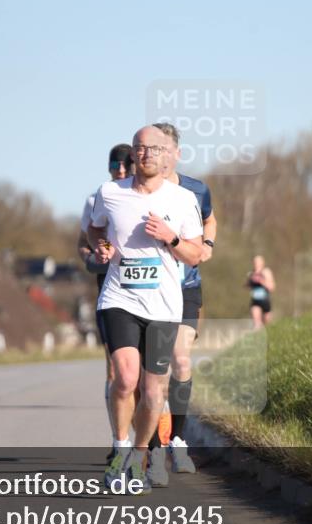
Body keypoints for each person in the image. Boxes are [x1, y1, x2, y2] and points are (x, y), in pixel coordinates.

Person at [88, 125, 203, 493]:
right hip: (119, 298)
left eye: (153, 148)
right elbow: (94, 230)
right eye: (140, 148)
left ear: (166, 154)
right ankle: (120, 449)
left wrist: (170, 237)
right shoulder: (109, 193)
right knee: (125, 378)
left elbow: (197, 254)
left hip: (164, 305)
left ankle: (139, 456)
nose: (146, 154)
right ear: (133, 154)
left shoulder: (184, 199)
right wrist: (102, 246)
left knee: (154, 393)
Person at [145, 122, 217, 486]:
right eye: (152, 148)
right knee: (153, 376)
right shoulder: (139, 191)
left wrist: (208, 245)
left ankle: (179, 441)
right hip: (152, 292)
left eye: (164, 148)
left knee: (182, 358)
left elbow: (210, 219)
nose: (159, 154)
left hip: (187, 287)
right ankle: (155, 448)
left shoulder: (195, 188)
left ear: (176, 153)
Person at [77, 144, 134, 451]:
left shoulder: (146, 198)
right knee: (115, 369)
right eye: (115, 165)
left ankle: (150, 441)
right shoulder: (96, 199)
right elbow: (82, 242)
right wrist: (92, 258)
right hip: (110, 287)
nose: (121, 171)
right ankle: (119, 439)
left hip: (148, 291)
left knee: (148, 371)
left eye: (127, 165)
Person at [247, 255, 275, 330]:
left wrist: (262, 281)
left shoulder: (266, 272)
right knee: (257, 324)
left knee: (268, 325)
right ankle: (258, 338)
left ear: (262, 263)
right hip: (255, 301)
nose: (256, 264)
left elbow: (272, 287)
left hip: (265, 300)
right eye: (255, 262)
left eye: (258, 262)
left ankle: (268, 337)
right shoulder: (251, 273)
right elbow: (250, 287)